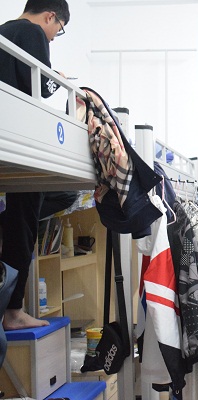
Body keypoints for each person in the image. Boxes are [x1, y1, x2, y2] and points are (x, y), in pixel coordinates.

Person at [0, 0, 71, 331]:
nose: (54, 36)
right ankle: (13, 311)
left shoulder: (3, 32)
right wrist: (58, 79)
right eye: (59, 29)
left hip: (8, 134)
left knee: (27, 213)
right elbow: (41, 86)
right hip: (18, 142)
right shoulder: (32, 33)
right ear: (50, 16)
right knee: (31, 215)